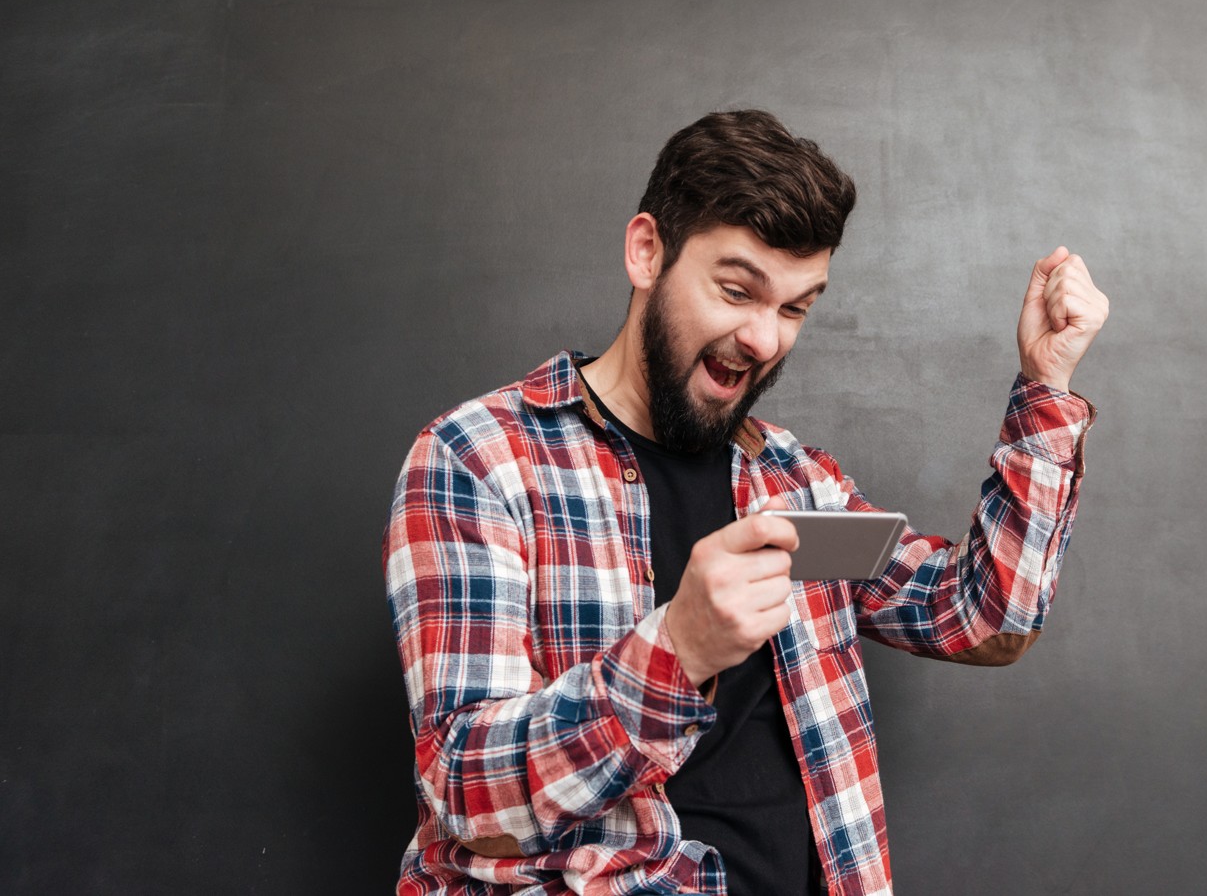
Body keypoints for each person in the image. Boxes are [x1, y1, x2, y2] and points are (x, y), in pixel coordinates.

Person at [383, 109, 1108, 896]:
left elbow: (985, 618)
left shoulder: (795, 481)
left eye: (795, 308)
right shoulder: (481, 460)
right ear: (647, 252)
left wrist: (1046, 384)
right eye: (737, 291)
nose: (765, 340)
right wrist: (679, 651)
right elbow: (465, 793)